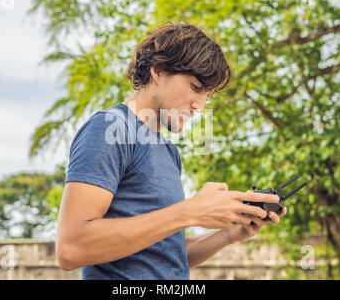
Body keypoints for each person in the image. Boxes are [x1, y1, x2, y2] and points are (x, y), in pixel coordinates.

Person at [56, 21, 286, 279]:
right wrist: (190, 211)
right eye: (196, 88)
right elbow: (71, 248)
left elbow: (165, 256)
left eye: (207, 95)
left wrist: (227, 234)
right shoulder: (109, 129)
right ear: (159, 71)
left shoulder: (168, 152)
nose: (200, 106)